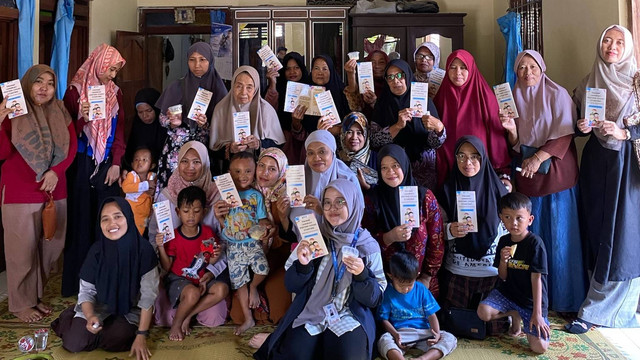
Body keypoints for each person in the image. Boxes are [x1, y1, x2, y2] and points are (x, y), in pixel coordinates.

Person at [254, 179, 386, 360]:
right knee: (293, 355)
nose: (333, 208)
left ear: (353, 202)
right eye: (327, 202)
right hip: (312, 311)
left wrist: (362, 274)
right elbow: (291, 285)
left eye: (341, 201)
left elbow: (375, 298)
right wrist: (303, 265)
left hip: (349, 315)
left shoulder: (367, 246)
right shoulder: (314, 238)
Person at [567, 25, 640, 333]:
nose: (612, 46)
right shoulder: (588, 83)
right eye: (607, 40)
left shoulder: (638, 83)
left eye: (619, 42)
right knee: (596, 226)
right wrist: (581, 125)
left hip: (626, 166)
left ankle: (604, 311)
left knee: (621, 235)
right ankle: (592, 298)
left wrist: (624, 133)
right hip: (596, 163)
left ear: (628, 46)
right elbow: (574, 123)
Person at [501, 49, 585, 312]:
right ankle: (530, 300)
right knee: (529, 240)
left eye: (533, 67)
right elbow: (514, 145)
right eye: (522, 68)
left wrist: (538, 158)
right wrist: (512, 132)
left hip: (556, 179)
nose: (528, 73)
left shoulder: (557, 94)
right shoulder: (512, 97)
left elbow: (565, 133)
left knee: (559, 239)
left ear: (542, 69)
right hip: (527, 176)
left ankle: (563, 299)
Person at [0, 65, 77, 322]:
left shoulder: (60, 110)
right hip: (20, 192)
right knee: (21, 252)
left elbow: (72, 146)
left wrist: (55, 171)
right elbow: (1, 153)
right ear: (27, 84)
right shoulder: (13, 112)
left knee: (51, 249)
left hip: (55, 188)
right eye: (38, 82)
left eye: (50, 83)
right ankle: (21, 303)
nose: (44, 87)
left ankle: (35, 296)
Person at [51, 197, 158, 360]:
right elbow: (86, 291)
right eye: (105, 219)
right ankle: (70, 318)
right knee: (74, 344)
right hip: (98, 307)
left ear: (128, 217)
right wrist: (89, 315)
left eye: (117, 216)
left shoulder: (144, 251)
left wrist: (142, 335)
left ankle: (96, 331)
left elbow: (148, 296)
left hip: (129, 309)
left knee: (118, 339)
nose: (111, 224)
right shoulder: (96, 251)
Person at [62, 43, 127, 297]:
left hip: (107, 165)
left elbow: (120, 129)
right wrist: (83, 118)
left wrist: (117, 162)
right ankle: (77, 284)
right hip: (80, 163)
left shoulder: (115, 93)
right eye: (110, 69)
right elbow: (64, 133)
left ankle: (105, 282)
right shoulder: (74, 92)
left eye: (115, 70)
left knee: (107, 221)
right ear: (99, 64)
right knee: (80, 221)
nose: (112, 75)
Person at [149, 141, 228, 328]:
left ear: (206, 163)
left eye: (196, 161)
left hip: (207, 271)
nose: (190, 167)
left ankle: (188, 314)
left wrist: (211, 271)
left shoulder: (217, 195)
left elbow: (227, 241)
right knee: (165, 318)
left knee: (213, 319)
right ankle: (181, 310)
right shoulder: (166, 195)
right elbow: (154, 236)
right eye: (184, 161)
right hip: (175, 272)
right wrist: (161, 272)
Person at [437, 135, 510, 334]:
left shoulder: (499, 191)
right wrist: (449, 230)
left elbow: (512, 234)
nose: (467, 162)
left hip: (491, 274)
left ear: (483, 158)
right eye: (461, 156)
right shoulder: (446, 190)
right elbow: (433, 232)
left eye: (474, 157)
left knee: (494, 327)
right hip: (458, 273)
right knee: (455, 326)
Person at [363, 144, 444, 296]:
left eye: (395, 165)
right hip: (385, 282)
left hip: (421, 282)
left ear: (405, 166)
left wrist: (427, 276)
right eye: (384, 167)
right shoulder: (373, 200)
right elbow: (364, 241)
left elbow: (437, 240)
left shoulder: (424, 197)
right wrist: (389, 237)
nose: (390, 172)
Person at [477, 192, 550, 354]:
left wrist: (537, 314)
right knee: (483, 312)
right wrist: (503, 261)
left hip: (530, 301)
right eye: (508, 217)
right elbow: (503, 277)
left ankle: (524, 315)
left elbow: (537, 280)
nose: (513, 223)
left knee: (540, 348)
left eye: (519, 218)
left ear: (529, 220)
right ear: (501, 218)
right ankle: (514, 314)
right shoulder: (504, 241)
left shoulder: (535, 244)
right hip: (508, 294)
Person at [155, 186, 228, 341]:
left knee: (222, 289)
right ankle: (176, 324)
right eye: (186, 211)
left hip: (201, 279)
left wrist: (216, 254)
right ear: (177, 212)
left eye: (196, 211)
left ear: (204, 211)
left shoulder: (208, 233)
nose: (191, 216)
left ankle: (188, 315)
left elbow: (210, 260)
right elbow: (167, 267)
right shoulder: (173, 236)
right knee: (192, 293)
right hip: (178, 279)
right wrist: (161, 246)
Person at [155, 42, 227, 192]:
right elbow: (161, 119)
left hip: (204, 153)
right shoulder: (176, 86)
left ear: (210, 61)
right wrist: (171, 122)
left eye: (202, 59)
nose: (197, 65)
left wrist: (206, 125)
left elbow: (225, 124)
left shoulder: (218, 89)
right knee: (172, 194)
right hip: (176, 154)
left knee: (201, 197)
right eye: (192, 60)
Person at [213, 152, 272, 335]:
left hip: (252, 243)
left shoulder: (256, 196)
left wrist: (265, 226)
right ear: (229, 173)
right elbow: (224, 223)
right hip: (233, 246)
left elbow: (262, 219)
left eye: (248, 171)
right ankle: (248, 319)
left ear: (254, 172)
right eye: (237, 172)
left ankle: (254, 287)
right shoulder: (224, 197)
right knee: (239, 283)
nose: (242, 175)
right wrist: (219, 216)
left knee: (263, 268)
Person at [434, 49, 511, 189]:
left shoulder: (486, 97)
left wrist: (502, 172)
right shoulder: (440, 98)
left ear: (471, 69)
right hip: (448, 171)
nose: (458, 72)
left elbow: (496, 138)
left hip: (478, 169)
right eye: (453, 67)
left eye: (463, 68)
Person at [370, 59, 445, 190]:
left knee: (422, 203)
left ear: (408, 76)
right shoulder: (382, 105)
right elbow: (374, 141)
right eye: (390, 77)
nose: (396, 81)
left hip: (422, 168)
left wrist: (439, 128)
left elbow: (436, 143)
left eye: (400, 75)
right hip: (392, 170)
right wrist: (397, 126)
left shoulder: (424, 101)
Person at [238, 148, 292, 329]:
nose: (264, 173)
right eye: (261, 166)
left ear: (281, 172)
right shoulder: (246, 192)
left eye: (272, 169)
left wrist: (282, 220)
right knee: (237, 314)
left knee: (279, 311)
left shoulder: (287, 195)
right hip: (251, 254)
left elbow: (292, 237)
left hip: (279, 255)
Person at [282, 130, 358, 243]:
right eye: (311, 153)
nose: (316, 158)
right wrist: (283, 213)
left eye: (322, 151)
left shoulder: (348, 180)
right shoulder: (298, 179)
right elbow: (290, 235)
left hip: (338, 244)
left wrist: (323, 210)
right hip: (304, 246)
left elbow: (352, 223)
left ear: (332, 152)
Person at [378, 251, 457, 360]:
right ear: (391, 276)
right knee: (384, 340)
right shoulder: (387, 292)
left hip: (424, 333)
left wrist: (437, 334)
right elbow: (384, 320)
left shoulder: (421, 289)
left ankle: (423, 359)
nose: (406, 289)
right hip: (401, 334)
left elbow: (431, 315)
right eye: (401, 285)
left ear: (417, 275)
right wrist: (395, 334)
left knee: (449, 338)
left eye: (410, 285)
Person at [209, 66, 285, 165]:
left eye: (249, 87)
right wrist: (230, 148)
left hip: (259, 170)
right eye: (239, 86)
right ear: (233, 86)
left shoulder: (266, 110)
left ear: (256, 89)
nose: (243, 92)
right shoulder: (221, 109)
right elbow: (213, 150)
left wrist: (258, 144)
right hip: (229, 170)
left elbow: (278, 146)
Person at [290, 55, 350, 139]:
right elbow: (299, 136)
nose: (320, 73)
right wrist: (296, 122)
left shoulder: (342, 92)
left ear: (331, 71)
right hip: (311, 145)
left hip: (340, 145)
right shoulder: (303, 93)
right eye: (316, 68)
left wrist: (338, 130)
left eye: (324, 69)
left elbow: (353, 122)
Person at [124, 88, 167, 168]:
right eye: (140, 112)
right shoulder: (137, 126)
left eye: (149, 110)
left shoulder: (165, 127)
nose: (145, 116)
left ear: (156, 108)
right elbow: (130, 154)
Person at [337, 112, 378, 190]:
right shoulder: (336, 158)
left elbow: (383, 192)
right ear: (343, 134)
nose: (354, 137)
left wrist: (366, 186)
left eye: (359, 133)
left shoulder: (376, 158)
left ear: (366, 135)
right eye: (349, 132)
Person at [343, 50, 389, 118]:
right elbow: (355, 106)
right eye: (373, 62)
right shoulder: (363, 84)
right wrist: (351, 73)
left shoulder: (392, 85)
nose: (377, 66)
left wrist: (374, 103)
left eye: (381, 62)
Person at [122, 147, 156, 235]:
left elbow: (155, 192)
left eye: (144, 160)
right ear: (132, 164)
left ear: (152, 165)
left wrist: (152, 193)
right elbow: (125, 188)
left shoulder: (152, 176)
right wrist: (146, 185)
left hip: (145, 213)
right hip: (133, 212)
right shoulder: (132, 176)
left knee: (142, 234)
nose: (140, 162)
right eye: (136, 159)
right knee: (132, 233)